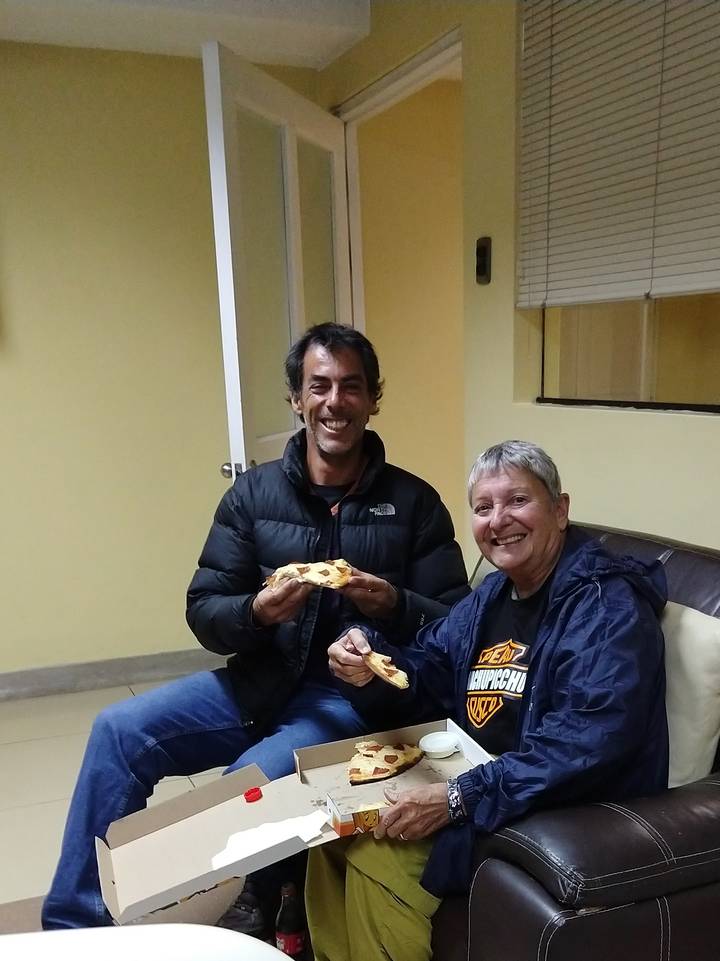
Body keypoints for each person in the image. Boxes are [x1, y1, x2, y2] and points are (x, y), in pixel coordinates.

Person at [42, 323, 469, 930]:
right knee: (118, 731)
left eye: (351, 386)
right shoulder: (253, 495)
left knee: (238, 788)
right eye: (318, 386)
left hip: (348, 704)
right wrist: (257, 612)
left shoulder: (414, 503)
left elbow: (457, 625)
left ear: (374, 398)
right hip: (256, 680)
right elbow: (205, 608)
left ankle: (267, 895)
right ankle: (71, 929)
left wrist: (393, 604)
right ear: (296, 398)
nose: (334, 402)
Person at [307, 440, 669, 961]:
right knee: (330, 833)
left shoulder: (604, 605)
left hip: (553, 803)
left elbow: (586, 742)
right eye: (483, 508)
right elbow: (426, 669)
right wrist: (367, 664)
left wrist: (461, 797)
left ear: (560, 509)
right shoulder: (492, 595)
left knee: (377, 851)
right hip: (483, 783)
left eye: (518, 501)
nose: (499, 521)